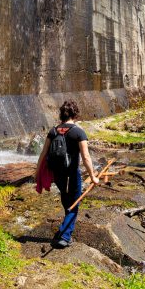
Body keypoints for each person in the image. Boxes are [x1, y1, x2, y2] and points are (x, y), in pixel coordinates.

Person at [35, 100, 99, 248]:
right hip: (71, 173)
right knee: (74, 205)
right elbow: (86, 157)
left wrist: (37, 172)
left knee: (66, 200)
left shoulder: (53, 131)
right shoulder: (78, 132)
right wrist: (93, 176)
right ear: (75, 113)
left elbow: (43, 154)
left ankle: (63, 230)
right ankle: (64, 236)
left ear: (61, 114)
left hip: (57, 174)